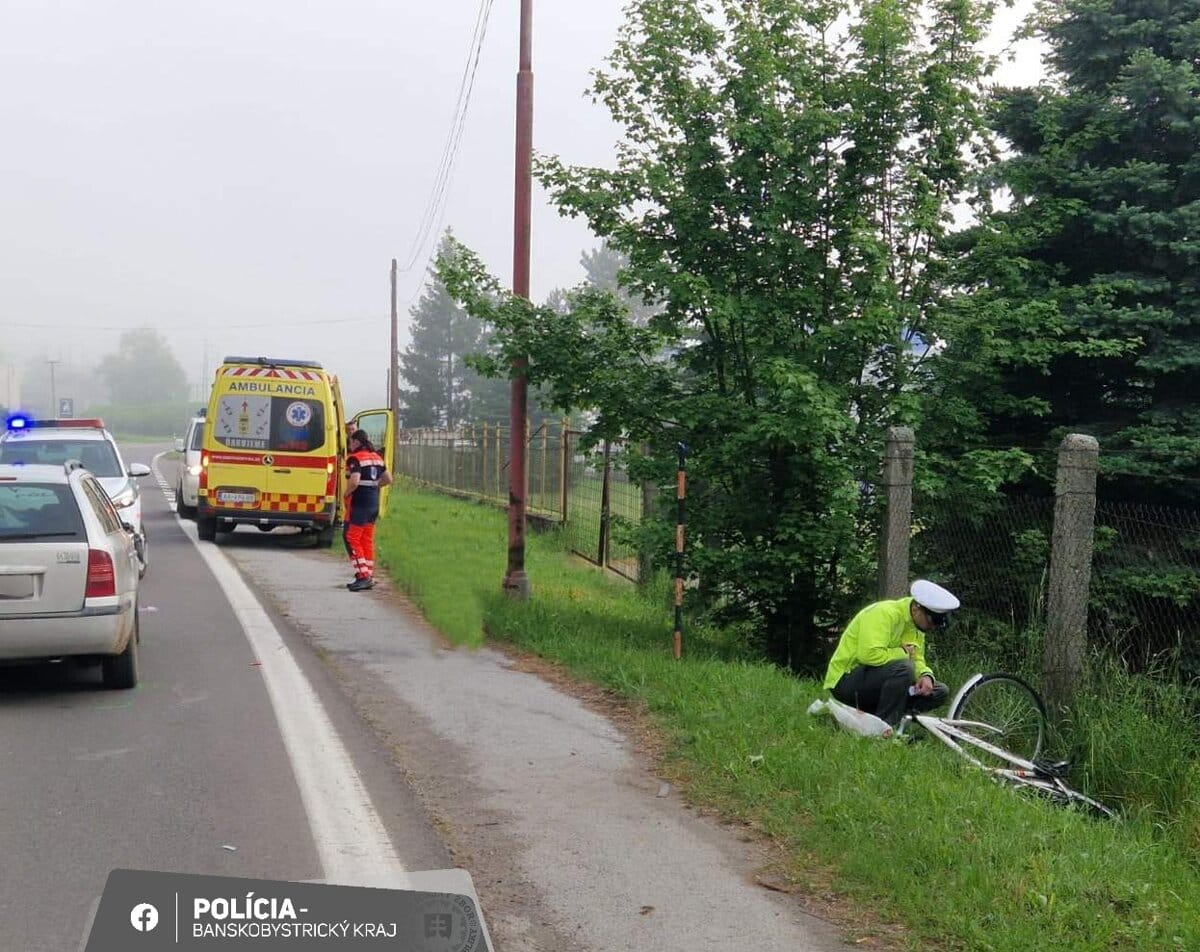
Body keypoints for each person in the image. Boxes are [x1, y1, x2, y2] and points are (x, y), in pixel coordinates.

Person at [822, 579, 960, 728]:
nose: (933, 627)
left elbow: (917, 658)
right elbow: (868, 655)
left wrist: (925, 676)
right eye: (931, 621)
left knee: (940, 691)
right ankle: (882, 730)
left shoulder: (917, 626)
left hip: (875, 682)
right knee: (904, 668)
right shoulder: (883, 613)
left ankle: (880, 718)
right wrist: (902, 653)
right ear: (916, 609)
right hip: (845, 681)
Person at [343, 429, 392, 592]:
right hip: (373, 504)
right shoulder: (377, 458)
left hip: (359, 504)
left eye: (350, 442)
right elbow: (388, 479)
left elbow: (354, 481)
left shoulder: (355, 458)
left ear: (356, 442)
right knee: (366, 539)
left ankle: (363, 576)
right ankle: (368, 573)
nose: (350, 444)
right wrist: (373, 486)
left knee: (351, 537)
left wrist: (346, 493)